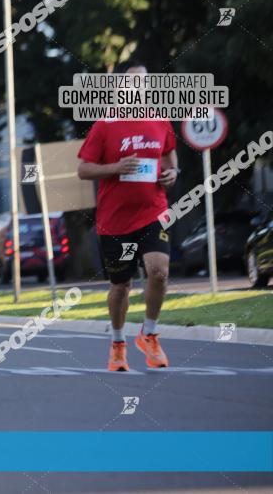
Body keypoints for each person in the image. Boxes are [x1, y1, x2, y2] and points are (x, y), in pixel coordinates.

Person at [77, 59, 178, 372]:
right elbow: (83, 169)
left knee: (158, 271)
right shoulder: (105, 125)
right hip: (115, 220)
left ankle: (149, 333)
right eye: (133, 81)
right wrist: (115, 168)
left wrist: (174, 171)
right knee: (121, 286)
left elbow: (170, 153)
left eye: (144, 82)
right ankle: (118, 343)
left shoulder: (159, 120)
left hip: (153, 211)